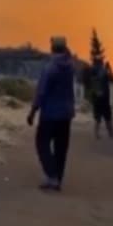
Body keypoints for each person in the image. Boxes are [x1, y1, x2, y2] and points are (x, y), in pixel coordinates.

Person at [27, 36, 76, 191]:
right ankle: (58, 179)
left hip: (50, 114)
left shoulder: (50, 68)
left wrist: (33, 111)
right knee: (61, 148)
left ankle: (52, 176)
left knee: (41, 143)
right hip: (66, 114)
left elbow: (41, 92)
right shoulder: (70, 66)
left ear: (52, 48)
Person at [90, 58, 113, 139]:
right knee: (107, 116)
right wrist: (109, 69)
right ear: (101, 63)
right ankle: (110, 133)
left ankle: (96, 134)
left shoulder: (92, 70)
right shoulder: (104, 71)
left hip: (96, 97)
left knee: (98, 116)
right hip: (104, 97)